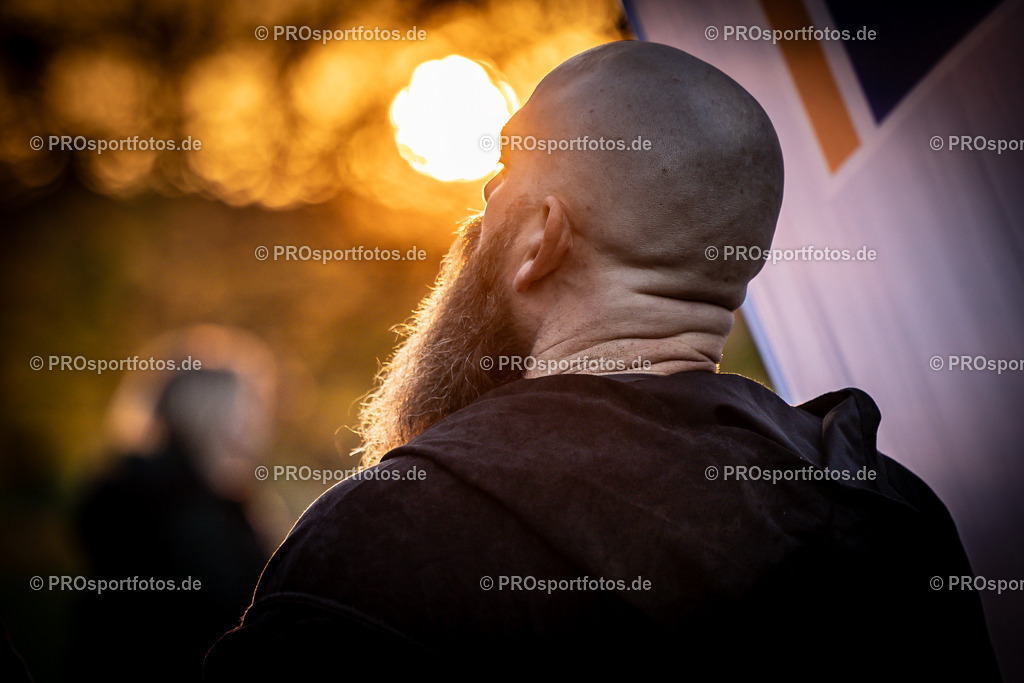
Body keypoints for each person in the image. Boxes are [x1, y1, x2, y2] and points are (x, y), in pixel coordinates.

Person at [205, 41, 1000, 679]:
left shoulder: (385, 539)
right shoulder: (900, 524)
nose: (480, 211)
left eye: (501, 180)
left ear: (542, 237)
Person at [70, 326, 276, 681]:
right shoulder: (194, 514)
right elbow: (243, 619)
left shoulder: (134, 493)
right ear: (211, 414)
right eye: (249, 405)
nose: (258, 423)